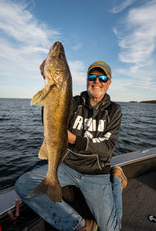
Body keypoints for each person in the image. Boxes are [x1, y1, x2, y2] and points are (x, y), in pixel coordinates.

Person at [15, 60, 127, 231]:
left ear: (109, 82)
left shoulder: (114, 110)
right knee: (23, 185)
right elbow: (51, 119)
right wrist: (48, 85)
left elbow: (108, 148)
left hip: (96, 173)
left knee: (112, 229)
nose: (97, 81)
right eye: (92, 76)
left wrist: (76, 140)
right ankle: (80, 225)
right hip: (67, 166)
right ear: (87, 79)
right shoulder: (73, 102)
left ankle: (117, 180)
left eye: (102, 77)